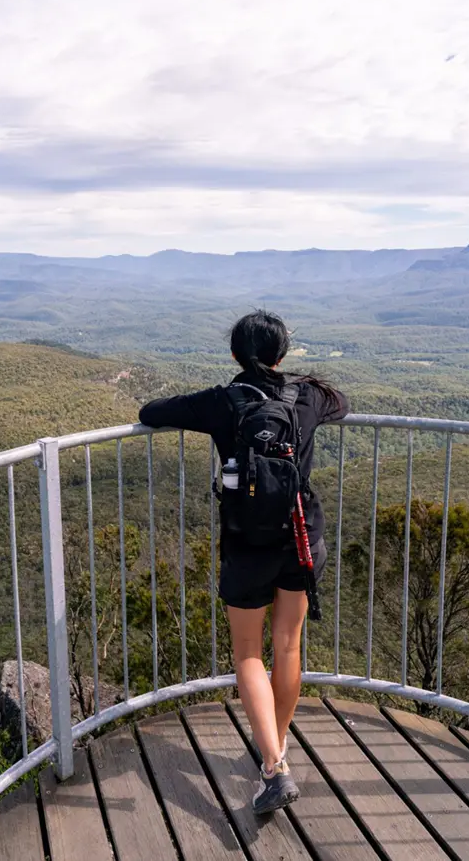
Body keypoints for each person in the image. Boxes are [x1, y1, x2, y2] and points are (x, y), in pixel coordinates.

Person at [138, 309, 349, 815]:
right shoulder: (309, 397)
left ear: (235, 354)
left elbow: (151, 411)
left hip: (246, 543)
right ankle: (274, 750)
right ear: (282, 354)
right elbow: (343, 403)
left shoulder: (221, 403)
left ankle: (273, 767)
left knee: (248, 654)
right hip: (302, 537)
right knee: (289, 645)